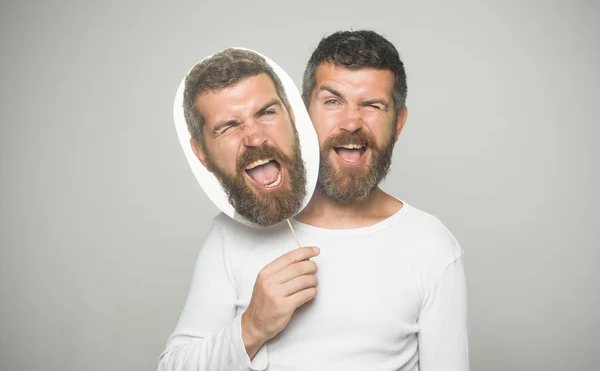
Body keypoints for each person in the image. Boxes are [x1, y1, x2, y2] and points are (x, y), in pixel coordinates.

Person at [159, 32, 468, 370]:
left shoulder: (431, 245)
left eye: (373, 105)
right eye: (333, 101)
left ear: (399, 123)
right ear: (302, 114)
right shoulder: (231, 235)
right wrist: (251, 328)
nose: (351, 122)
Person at [182, 48, 307, 227]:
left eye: (266, 113)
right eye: (229, 127)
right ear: (201, 154)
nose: (255, 139)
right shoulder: (219, 252)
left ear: (292, 118)